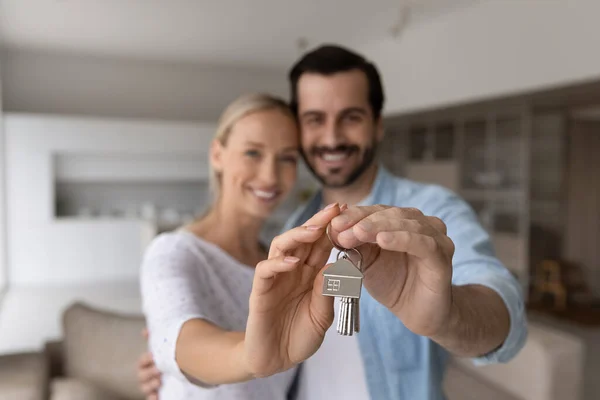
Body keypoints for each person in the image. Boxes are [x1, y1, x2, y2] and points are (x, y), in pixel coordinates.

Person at [138, 45, 527, 400]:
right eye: (314, 119)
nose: (331, 137)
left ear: (377, 125)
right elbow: (226, 341)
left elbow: (503, 311)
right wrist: (177, 362)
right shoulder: (289, 233)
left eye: (351, 118)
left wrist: (448, 315)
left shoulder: (429, 211)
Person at [140, 92, 349, 399]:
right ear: (217, 154)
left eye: (287, 158)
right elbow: (178, 337)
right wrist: (254, 354)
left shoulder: (285, 265)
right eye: (253, 153)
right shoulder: (174, 252)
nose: (269, 176)